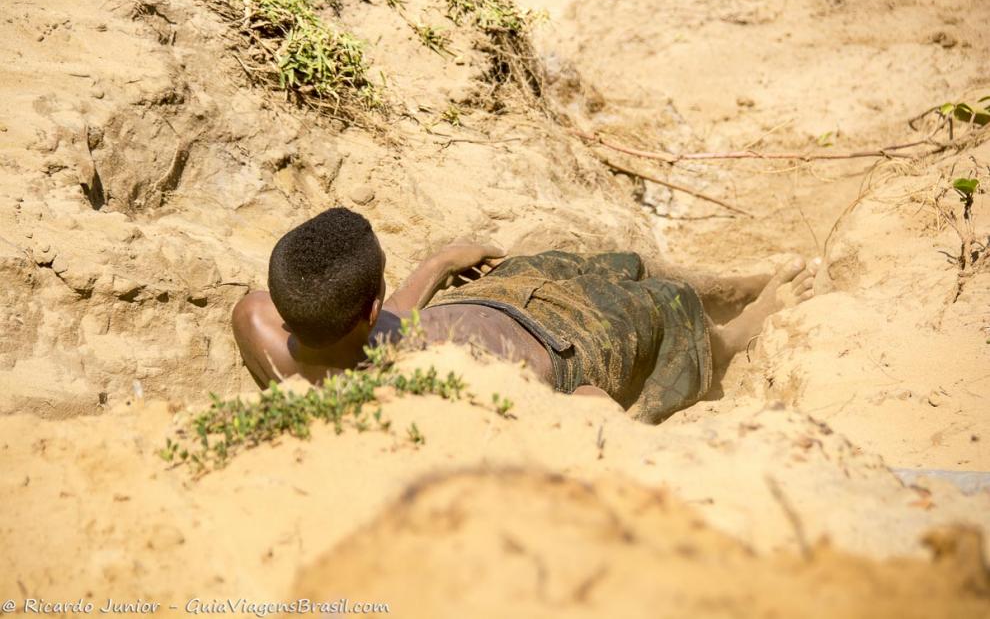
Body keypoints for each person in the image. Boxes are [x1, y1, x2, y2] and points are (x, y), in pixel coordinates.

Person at [232, 208, 819, 423]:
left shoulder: (257, 326)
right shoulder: (427, 390)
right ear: (371, 305)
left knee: (591, 260)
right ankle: (729, 335)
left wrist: (438, 265)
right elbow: (590, 420)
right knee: (662, 307)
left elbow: (381, 330)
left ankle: (727, 287)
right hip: (568, 349)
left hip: (492, 298)